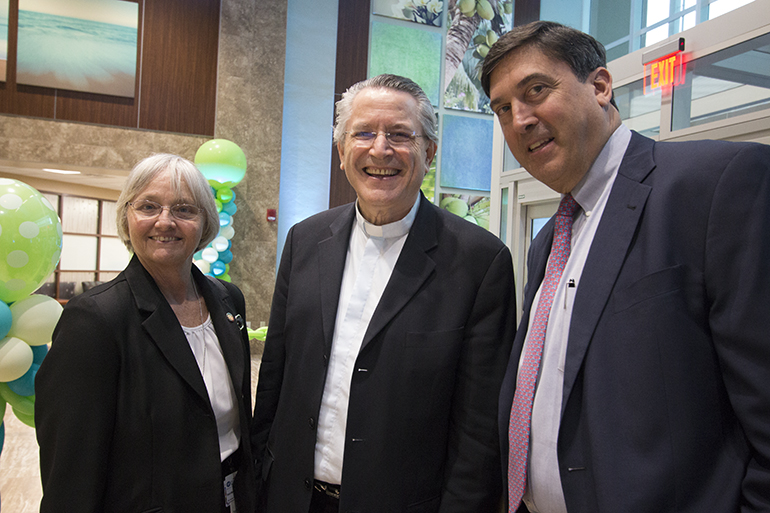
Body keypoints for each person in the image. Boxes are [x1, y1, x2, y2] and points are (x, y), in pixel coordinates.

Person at [481, 20, 770, 513]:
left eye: (536, 90)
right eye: (504, 108)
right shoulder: (549, 239)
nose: (520, 119)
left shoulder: (714, 186)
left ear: (599, 86)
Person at [252, 74, 517, 512]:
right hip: (291, 498)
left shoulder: (478, 262)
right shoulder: (304, 240)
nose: (380, 150)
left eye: (399, 134)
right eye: (363, 133)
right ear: (341, 152)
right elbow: (275, 380)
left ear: (429, 152)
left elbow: (479, 429)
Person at [35, 154, 256, 513]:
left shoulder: (227, 300)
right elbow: (70, 474)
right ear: (127, 217)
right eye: (148, 206)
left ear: (205, 224)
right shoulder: (94, 319)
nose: (165, 221)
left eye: (184, 209)